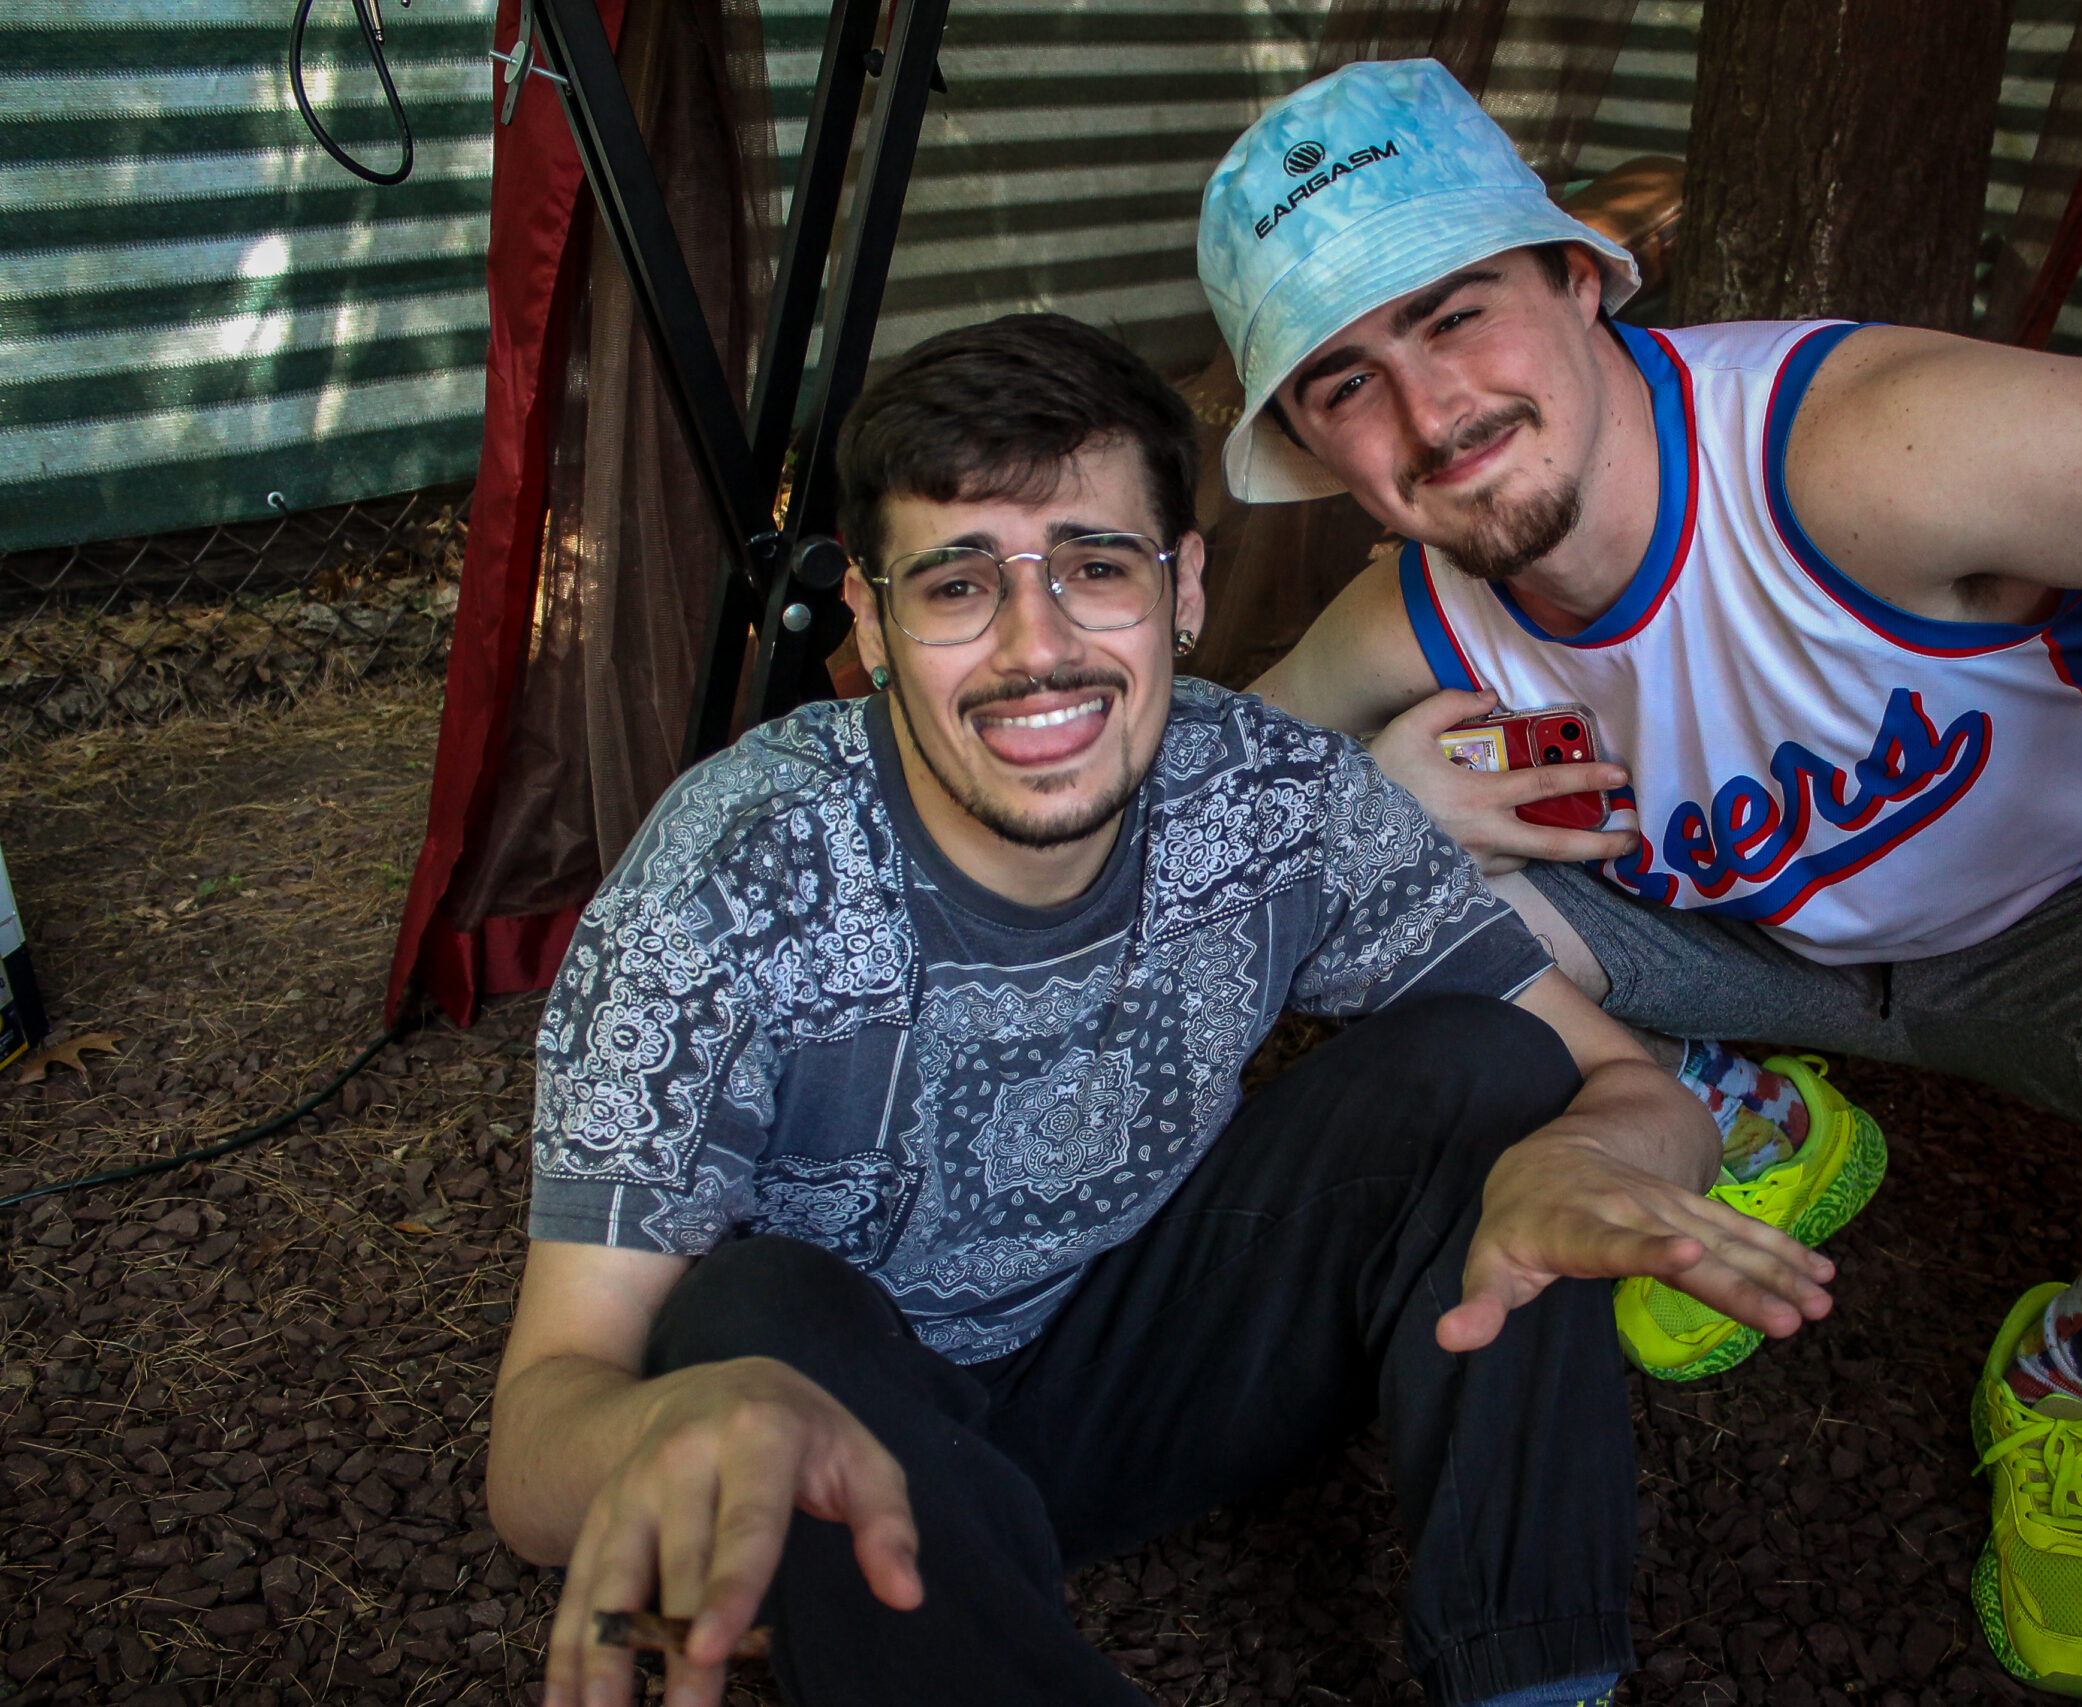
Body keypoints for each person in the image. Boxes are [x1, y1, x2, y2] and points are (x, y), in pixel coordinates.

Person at [1203, 59, 2082, 1698]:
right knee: (1338, 872)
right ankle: (1755, 1120)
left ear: (1576, 278)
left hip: (2073, 911)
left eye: (1456, 313)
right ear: (1308, 441)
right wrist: (1375, 794)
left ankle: (2072, 1374)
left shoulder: (1861, 446)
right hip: (1740, 933)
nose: (1431, 418)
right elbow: (1206, 807)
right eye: (1345, 381)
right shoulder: (1412, 608)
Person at [486, 312, 1837, 1707]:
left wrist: (1586, 1158)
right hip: (844, 1449)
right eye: (956, 585)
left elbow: (1633, 1086)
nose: (1038, 648)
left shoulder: (1272, 799)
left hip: (1147, 1370)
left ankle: (1536, 1689)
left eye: (1095, 568)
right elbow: (540, 1434)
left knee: (1492, 1070)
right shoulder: (728, 885)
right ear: (872, 625)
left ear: (1183, 588)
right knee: (751, 1314)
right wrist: (668, 1440)